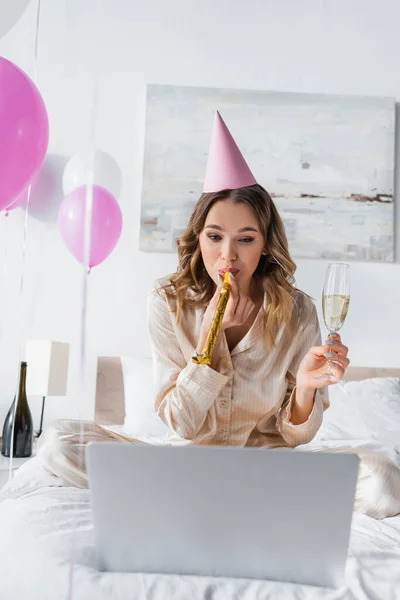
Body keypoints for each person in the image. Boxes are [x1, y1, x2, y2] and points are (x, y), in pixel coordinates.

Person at [37, 111, 400, 519]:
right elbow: (182, 424)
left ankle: (211, 499)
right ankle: (218, 498)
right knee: (58, 444)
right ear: (199, 237)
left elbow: (295, 435)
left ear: (264, 245)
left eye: (245, 239)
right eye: (215, 237)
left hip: (268, 470)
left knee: (383, 480)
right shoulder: (167, 302)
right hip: (186, 467)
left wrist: (304, 389)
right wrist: (208, 340)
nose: (228, 255)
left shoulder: (298, 311)